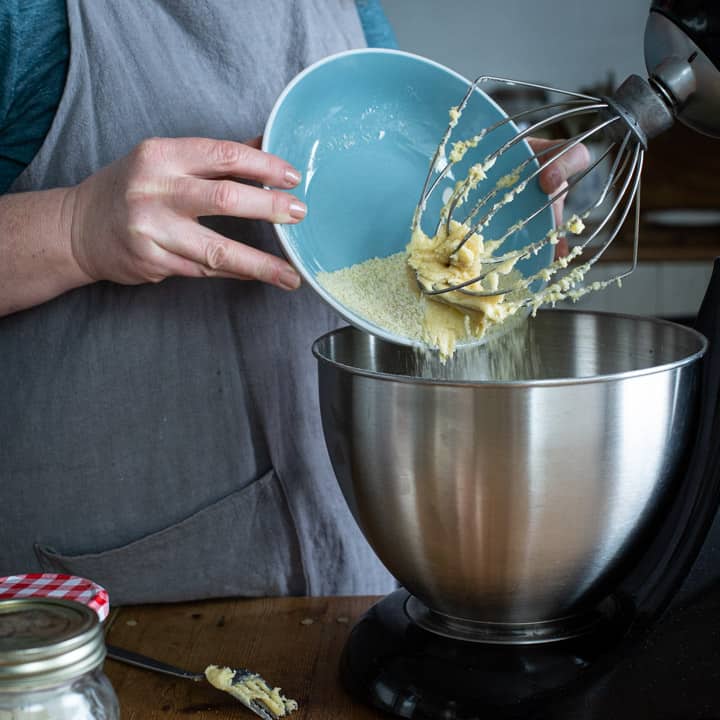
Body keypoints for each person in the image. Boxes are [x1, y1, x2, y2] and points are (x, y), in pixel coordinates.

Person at [0, 1, 588, 605]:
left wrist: (485, 205)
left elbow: (387, 224)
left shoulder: (349, 8)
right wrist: (73, 228)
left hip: (349, 563)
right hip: (108, 609)